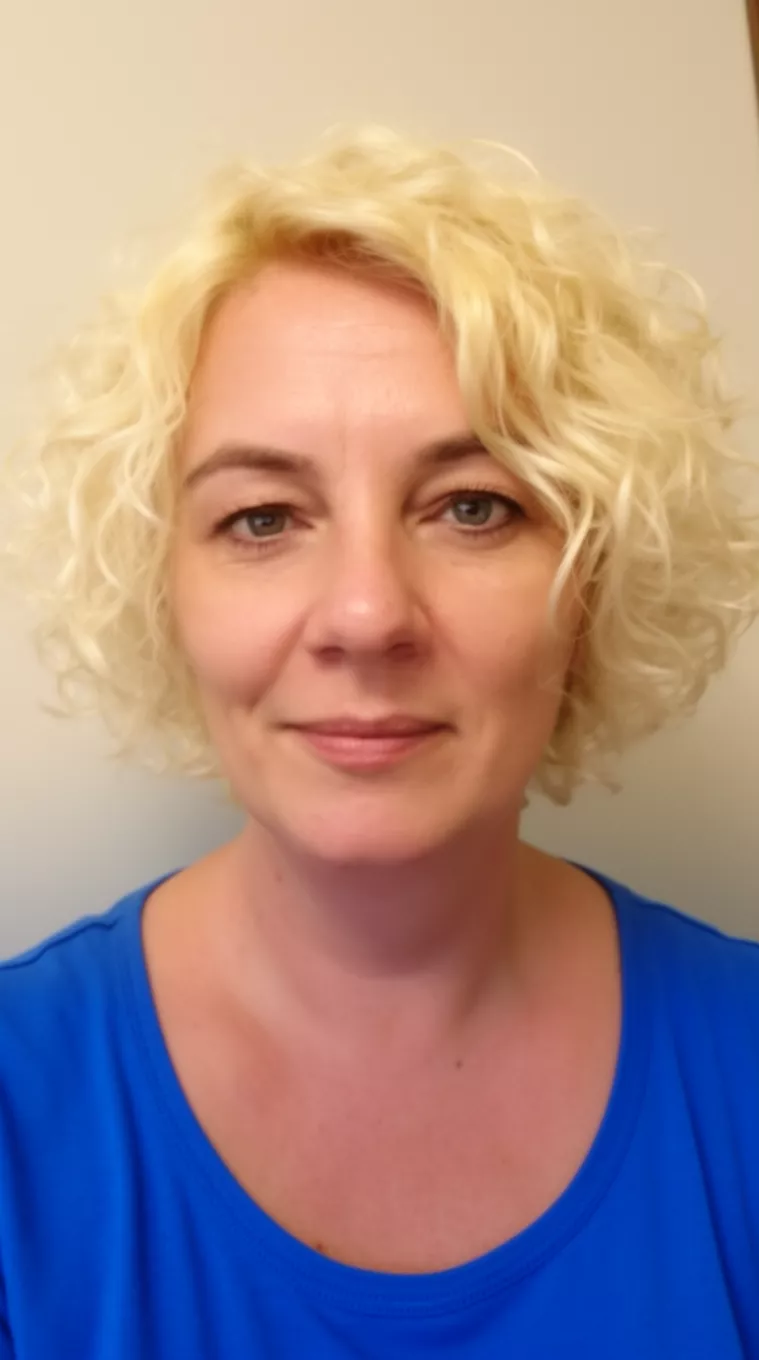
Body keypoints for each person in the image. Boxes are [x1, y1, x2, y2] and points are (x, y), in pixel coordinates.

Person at [2, 125, 759, 1359]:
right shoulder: (22, 1113)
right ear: (163, 588)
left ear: (595, 579)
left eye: (473, 506)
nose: (366, 615)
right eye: (262, 518)